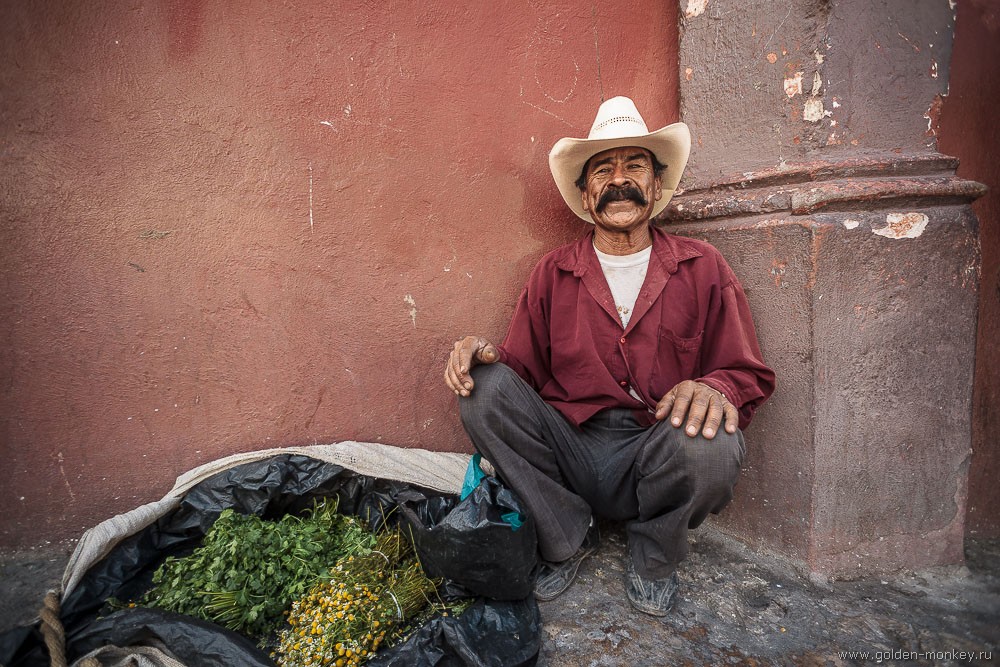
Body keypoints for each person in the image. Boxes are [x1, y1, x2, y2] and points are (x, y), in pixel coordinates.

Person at [443, 96, 775, 616]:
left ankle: (654, 554)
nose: (620, 180)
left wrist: (714, 387)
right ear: (586, 193)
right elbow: (520, 373)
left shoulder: (702, 266)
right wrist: (482, 355)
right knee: (482, 391)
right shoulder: (553, 273)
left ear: (656, 186)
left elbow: (745, 372)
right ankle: (568, 533)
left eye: (635, 166)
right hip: (572, 447)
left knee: (714, 443)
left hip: (657, 446)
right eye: (603, 170)